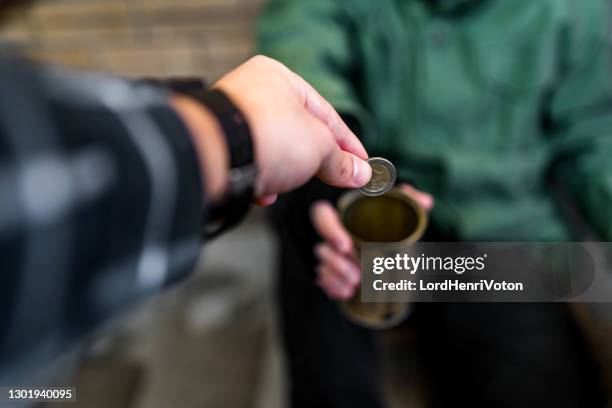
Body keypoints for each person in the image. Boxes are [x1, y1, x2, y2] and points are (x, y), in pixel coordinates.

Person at [258, 0, 610, 406]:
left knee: (538, 385)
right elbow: (299, 48)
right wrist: (330, 174)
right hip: (372, 194)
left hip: (501, 232)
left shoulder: (575, 11)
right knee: (310, 226)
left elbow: (597, 139)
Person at [0, 52, 372, 382]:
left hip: (422, 222)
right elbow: (304, 42)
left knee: (411, 282)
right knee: (329, 289)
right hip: (344, 178)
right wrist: (327, 190)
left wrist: (232, 131)